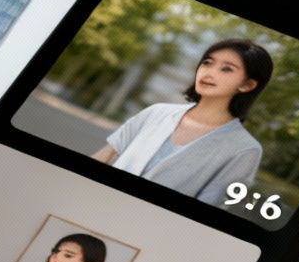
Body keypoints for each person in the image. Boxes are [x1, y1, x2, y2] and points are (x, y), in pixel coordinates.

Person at [92, 38, 271, 204]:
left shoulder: (245, 149)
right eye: (207, 63)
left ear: (247, 85)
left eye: (226, 69)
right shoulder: (156, 112)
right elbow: (104, 157)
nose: (209, 72)